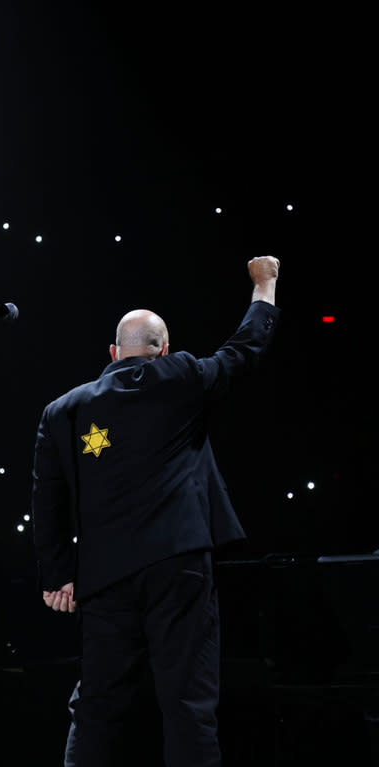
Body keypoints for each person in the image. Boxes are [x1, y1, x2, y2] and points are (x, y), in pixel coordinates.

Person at [32, 256, 280, 767]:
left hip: (104, 581)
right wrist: (265, 287)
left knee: (97, 711)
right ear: (163, 349)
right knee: (189, 706)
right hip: (179, 569)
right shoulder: (182, 376)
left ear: (112, 353)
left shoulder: (64, 411)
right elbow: (244, 350)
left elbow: (46, 501)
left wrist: (60, 576)